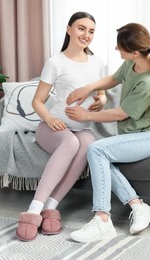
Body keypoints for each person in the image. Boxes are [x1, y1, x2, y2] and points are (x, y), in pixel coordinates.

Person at [65, 23, 150, 243]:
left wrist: (86, 116)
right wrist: (88, 88)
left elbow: (120, 114)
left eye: (120, 47)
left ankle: (102, 219)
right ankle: (138, 206)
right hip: (136, 135)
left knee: (95, 149)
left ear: (134, 52)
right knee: (99, 155)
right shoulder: (132, 64)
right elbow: (113, 79)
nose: (116, 49)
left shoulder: (148, 81)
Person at [16, 11, 106, 241]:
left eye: (91, 31)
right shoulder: (55, 62)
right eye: (81, 28)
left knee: (88, 145)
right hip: (52, 127)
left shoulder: (97, 63)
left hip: (81, 127)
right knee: (70, 142)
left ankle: (51, 207)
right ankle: (34, 210)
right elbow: (38, 101)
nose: (86, 35)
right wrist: (50, 119)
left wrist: (99, 102)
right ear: (69, 29)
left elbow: (102, 95)